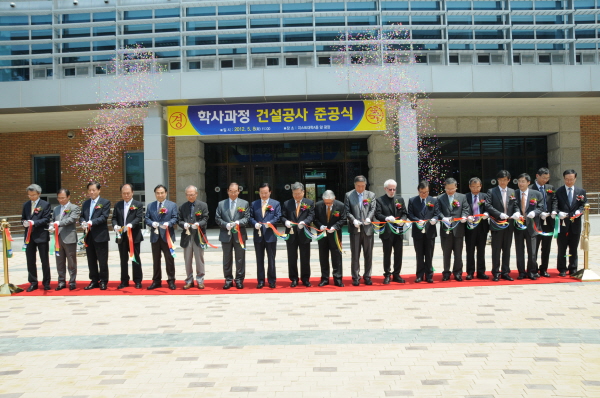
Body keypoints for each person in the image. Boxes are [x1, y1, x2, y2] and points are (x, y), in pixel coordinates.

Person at [215, 182, 250, 289]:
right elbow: (217, 218)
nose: (233, 194)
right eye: (231, 191)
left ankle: (239, 280)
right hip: (226, 234)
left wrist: (239, 222)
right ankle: (228, 280)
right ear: (227, 191)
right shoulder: (221, 204)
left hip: (240, 235)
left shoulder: (244, 203)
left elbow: (247, 217)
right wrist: (226, 225)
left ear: (239, 191)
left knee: (240, 258)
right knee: (227, 258)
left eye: (235, 191)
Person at [552, 169, 587, 276]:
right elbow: (555, 205)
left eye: (571, 179)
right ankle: (562, 269)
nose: (569, 182)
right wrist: (558, 213)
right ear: (564, 179)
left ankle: (573, 268)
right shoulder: (559, 191)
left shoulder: (581, 192)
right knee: (562, 248)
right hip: (562, 224)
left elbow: (584, 204)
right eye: (567, 179)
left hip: (575, 224)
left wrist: (580, 211)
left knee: (573, 248)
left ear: (575, 179)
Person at [280, 182, 315, 287]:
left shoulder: (309, 202)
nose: (297, 196)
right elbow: (282, 216)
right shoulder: (287, 203)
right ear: (292, 193)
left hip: (304, 234)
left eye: (299, 194)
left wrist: (305, 222)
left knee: (305, 257)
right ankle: (294, 279)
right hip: (291, 235)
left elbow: (312, 215)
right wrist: (285, 221)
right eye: (295, 194)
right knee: (292, 258)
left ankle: (305, 279)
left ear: (303, 192)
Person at [435, 178, 470, 281]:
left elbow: (466, 208)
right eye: (448, 189)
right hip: (446, 230)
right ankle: (446, 272)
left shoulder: (462, 197)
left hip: (458, 230)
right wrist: (443, 218)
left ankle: (458, 272)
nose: (450, 191)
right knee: (446, 253)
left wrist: (464, 216)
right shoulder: (440, 198)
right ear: (445, 188)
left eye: (452, 189)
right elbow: (437, 210)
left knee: (458, 253)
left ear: (456, 187)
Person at [485, 170, 517, 282]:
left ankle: (505, 272)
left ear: (509, 180)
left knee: (507, 249)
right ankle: (496, 272)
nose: (502, 182)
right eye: (500, 180)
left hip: (509, 224)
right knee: (496, 249)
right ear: (497, 180)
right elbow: (488, 205)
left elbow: (515, 205)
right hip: (497, 224)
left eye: (505, 180)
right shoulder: (491, 191)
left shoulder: (512, 191)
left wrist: (517, 212)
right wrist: (499, 214)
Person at [344, 175, 376, 286]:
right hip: (355, 229)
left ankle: (367, 276)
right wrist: (353, 220)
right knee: (355, 254)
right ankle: (355, 277)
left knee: (368, 254)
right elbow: (347, 211)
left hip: (367, 229)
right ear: (355, 185)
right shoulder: (349, 195)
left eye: (363, 186)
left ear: (365, 185)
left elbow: (373, 208)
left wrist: (369, 218)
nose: (361, 188)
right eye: (358, 186)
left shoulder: (371, 195)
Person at [145, 184, 179, 290]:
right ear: (155, 194)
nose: (160, 195)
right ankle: (156, 281)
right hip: (155, 236)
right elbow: (146, 219)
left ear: (166, 193)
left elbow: (175, 218)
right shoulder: (150, 206)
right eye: (158, 193)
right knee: (156, 260)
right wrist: (152, 223)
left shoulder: (172, 205)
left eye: (162, 193)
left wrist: (169, 223)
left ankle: (171, 280)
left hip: (167, 236)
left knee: (169, 259)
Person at [374, 179, 407, 284]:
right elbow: (377, 214)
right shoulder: (380, 200)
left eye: (394, 189)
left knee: (398, 253)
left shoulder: (400, 199)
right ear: (385, 189)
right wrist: (386, 218)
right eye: (390, 189)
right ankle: (387, 274)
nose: (392, 191)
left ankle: (396, 274)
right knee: (387, 254)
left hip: (398, 231)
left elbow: (405, 213)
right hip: (387, 232)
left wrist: (403, 219)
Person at [79, 182, 111, 290]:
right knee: (91, 259)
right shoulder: (86, 203)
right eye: (90, 190)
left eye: (94, 190)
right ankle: (93, 280)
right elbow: (82, 216)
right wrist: (83, 222)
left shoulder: (105, 202)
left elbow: (104, 217)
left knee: (102, 260)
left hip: (100, 235)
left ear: (99, 190)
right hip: (88, 236)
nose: (91, 192)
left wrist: (91, 222)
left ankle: (103, 281)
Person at [111, 183, 144, 289]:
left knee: (135, 258)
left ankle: (138, 280)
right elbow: (114, 218)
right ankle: (124, 280)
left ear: (132, 193)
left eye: (128, 193)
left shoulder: (137, 204)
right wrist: (115, 225)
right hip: (121, 236)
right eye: (124, 193)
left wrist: (131, 225)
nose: (126, 195)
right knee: (123, 259)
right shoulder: (118, 205)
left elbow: (139, 218)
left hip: (133, 236)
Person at [249, 183, 281, 289]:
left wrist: (270, 222)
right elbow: (250, 217)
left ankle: (272, 280)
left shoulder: (275, 204)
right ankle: (261, 280)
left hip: (270, 236)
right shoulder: (254, 204)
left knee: (271, 259)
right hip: (258, 236)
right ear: (259, 193)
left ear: (270, 192)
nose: (263, 195)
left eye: (266, 193)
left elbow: (278, 216)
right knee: (259, 259)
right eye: (262, 193)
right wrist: (255, 224)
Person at [512, 173, 544, 280]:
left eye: (523, 181)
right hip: (519, 226)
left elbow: (541, 207)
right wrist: (516, 213)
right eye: (519, 181)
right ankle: (521, 272)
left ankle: (531, 271)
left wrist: (534, 212)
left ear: (528, 182)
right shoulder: (514, 193)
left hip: (532, 226)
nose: (520, 183)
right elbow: (513, 205)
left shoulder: (536, 194)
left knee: (532, 251)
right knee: (519, 250)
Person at [177, 185, 209, 290]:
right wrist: (184, 224)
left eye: (192, 194)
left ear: (196, 194)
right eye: (188, 194)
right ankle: (189, 280)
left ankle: (200, 280)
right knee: (187, 259)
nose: (190, 196)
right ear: (186, 195)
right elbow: (179, 220)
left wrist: (199, 224)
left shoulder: (203, 205)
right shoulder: (182, 207)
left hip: (198, 235)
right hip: (187, 235)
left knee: (199, 259)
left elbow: (205, 218)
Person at [21, 184, 51, 292]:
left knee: (44, 260)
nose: (31, 197)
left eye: (33, 195)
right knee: (30, 260)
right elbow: (23, 218)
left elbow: (46, 219)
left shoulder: (45, 204)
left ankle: (46, 282)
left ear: (39, 194)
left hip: (41, 235)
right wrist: (24, 223)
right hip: (29, 236)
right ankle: (33, 282)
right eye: (29, 195)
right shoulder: (26, 205)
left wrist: (34, 222)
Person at [313, 190, 347, 287]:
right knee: (323, 257)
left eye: (330, 202)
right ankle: (324, 278)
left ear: (334, 199)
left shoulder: (340, 205)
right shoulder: (318, 205)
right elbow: (315, 218)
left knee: (337, 257)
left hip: (335, 235)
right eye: (326, 202)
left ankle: (338, 278)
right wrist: (320, 226)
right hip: (322, 235)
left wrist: (335, 226)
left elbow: (343, 219)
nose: (327, 204)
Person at [49, 188, 80, 291]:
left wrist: (59, 223)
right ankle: (61, 281)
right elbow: (53, 220)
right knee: (59, 261)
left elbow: (72, 219)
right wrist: (51, 226)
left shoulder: (74, 207)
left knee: (71, 261)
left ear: (68, 197)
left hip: (69, 238)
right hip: (58, 238)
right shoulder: (56, 208)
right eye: (59, 198)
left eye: (63, 198)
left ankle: (72, 281)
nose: (61, 200)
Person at [407, 180, 438, 283]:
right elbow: (410, 214)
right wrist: (417, 220)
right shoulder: (412, 200)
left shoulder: (433, 200)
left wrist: (435, 219)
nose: (424, 194)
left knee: (429, 254)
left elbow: (437, 213)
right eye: (422, 192)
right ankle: (419, 275)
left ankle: (429, 275)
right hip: (418, 232)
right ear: (418, 191)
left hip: (430, 231)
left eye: (426, 192)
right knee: (419, 255)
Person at [529, 167, 556, 277]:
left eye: (547, 178)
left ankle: (544, 268)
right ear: (537, 176)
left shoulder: (550, 188)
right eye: (543, 178)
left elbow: (554, 200)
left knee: (546, 247)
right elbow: (529, 205)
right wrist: (538, 213)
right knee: (534, 247)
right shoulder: (530, 188)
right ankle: (533, 268)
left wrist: (553, 211)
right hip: (535, 221)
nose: (545, 180)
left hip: (548, 221)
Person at [464, 177, 490, 280]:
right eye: (473, 187)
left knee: (481, 250)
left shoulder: (485, 196)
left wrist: (487, 213)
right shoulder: (465, 197)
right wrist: (467, 216)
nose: (475, 189)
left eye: (477, 187)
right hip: (470, 227)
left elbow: (488, 207)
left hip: (482, 227)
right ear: (469, 186)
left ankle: (481, 272)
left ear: (481, 186)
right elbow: (464, 209)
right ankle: (470, 272)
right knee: (470, 251)